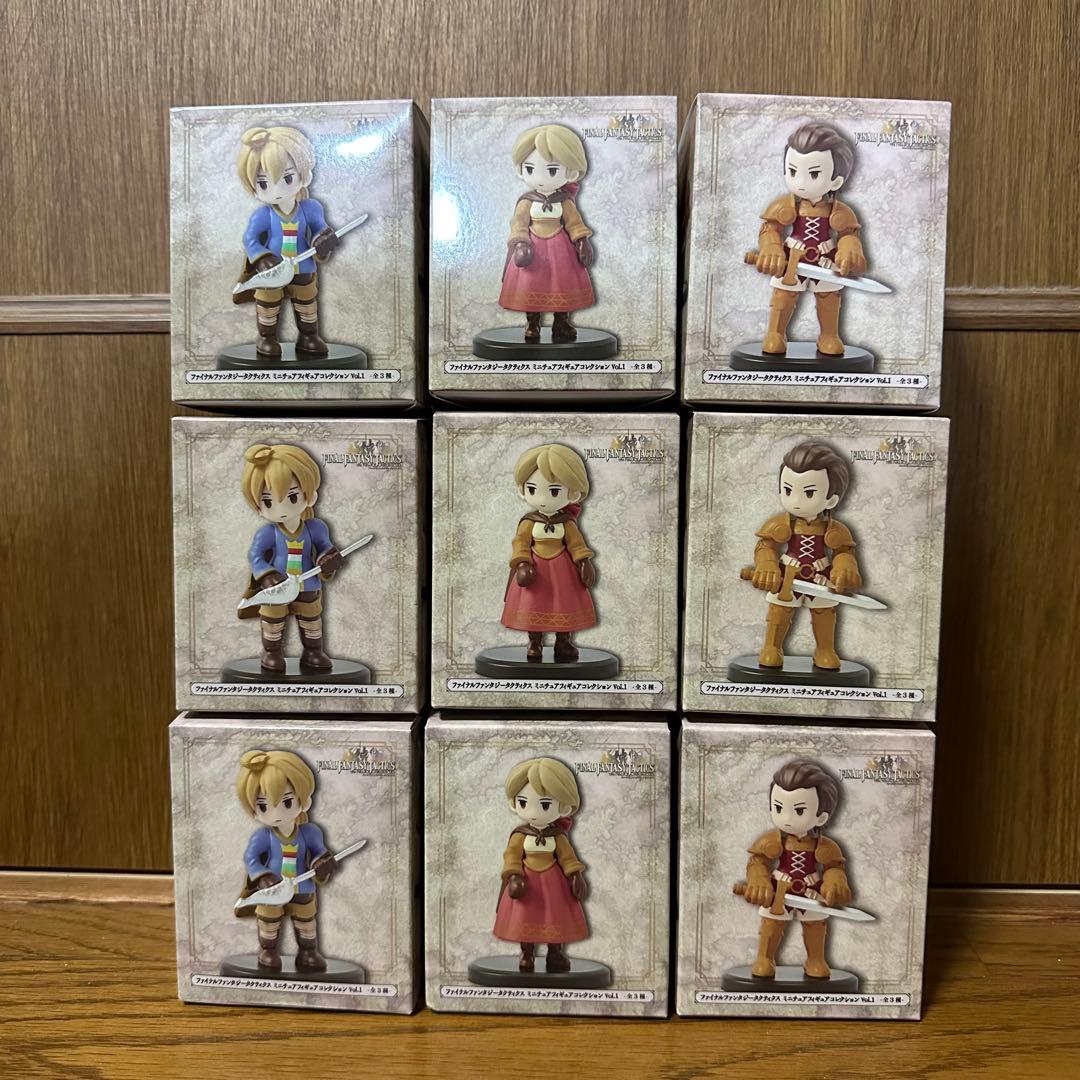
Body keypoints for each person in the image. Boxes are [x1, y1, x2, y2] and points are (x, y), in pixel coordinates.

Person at [751, 122, 867, 356]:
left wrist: (849, 249)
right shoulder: (785, 205)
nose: (801, 182)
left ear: (836, 180)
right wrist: (771, 248)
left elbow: (848, 233)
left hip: (825, 259)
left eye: (813, 174)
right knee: (784, 294)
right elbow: (770, 228)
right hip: (792, 257)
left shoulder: (839, 210)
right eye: (793, 172)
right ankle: (775, 333)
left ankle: (829, 335)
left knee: (828, 296)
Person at [749, 439, 861, 671]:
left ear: (831, 499)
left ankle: (825, 649)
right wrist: (767, 565)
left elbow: (843, 551)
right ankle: (772, 647)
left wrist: (845, 566)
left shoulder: (835, 529)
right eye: (788, 490)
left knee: (824, 612)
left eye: (809, 493)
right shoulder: (779, 523)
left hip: (820, 576)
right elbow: (765, 545)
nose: (796, 501)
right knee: (780, 610)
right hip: (787, 574)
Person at [737, 759, 853, 980]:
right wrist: (759, 880)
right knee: (772, 923)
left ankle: (815, 960)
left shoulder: (825, 845)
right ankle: (764, 958)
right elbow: (757, 861)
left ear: (821, 816)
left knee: (815, 925)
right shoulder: (772, 840)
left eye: (799, 811)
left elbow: (834, 865)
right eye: (779, 808)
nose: (787, 819)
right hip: (780, 889)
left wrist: (835, 881)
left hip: (811, 890)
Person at [234, 126, 340, 358]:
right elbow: (250, 239)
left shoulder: (311, 208)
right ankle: (267, 338)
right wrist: (262, 258)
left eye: (287, 178)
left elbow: (320, 228)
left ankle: (309, 336)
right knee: (268, 305)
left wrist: (323, 241)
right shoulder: (263, 215)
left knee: (306, 303)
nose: (277, 190)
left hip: (303, 267)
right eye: (263, 183)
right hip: (272, 271)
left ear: (304, 174)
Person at [239, 443, 345, 672]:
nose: (281, 507)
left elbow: (326, 547)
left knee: (311, 620)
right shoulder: (268, 533)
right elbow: (255, 556)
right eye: (268, 501)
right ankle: (272, 652)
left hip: (308, 584)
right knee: (273, 621)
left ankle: (313, 651)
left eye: (292, 496)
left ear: (310, 494)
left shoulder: (315, 528)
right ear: (258, 506)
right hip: (277, 588)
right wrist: (267, 576)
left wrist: (328, 560)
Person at [234, 749, 337, 972]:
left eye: (287, 802)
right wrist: (262, 876)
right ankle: (268, 951)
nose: (276, 813)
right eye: (263, 806)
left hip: (302, 886)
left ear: (304, 800)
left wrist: (322, 864)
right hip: (273, 890)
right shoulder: (263, 836)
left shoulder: (310, 832)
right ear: (254, 810)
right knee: (269, 920)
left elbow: (320, 853)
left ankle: (308, 952)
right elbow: (251, 858)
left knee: (306, 919)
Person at [498, 124, 597, 343]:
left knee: (562, 283)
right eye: (530, 169)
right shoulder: (526, 201)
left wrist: (582, 241)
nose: (541, 178)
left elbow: (574, 222)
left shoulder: (565, 201)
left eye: (552, 170)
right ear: (521, 170)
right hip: (532, 247)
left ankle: (561, 322)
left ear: (571, 172)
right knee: (530, 283)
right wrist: (520, 242)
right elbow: (519, 222)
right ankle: (532, 322)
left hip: (560, 250)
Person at [501, 443, 598, 663]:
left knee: (564, 603)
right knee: (533, 604)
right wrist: (522, 563)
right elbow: (521, 543)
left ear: (573, 492)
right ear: (523, 490)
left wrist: (584, 562)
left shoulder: (567, 523)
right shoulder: (528, 522)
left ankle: (563, 641)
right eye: (532, 489)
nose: (543, 498)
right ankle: (535, 642)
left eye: (554, 491)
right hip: (535, 570)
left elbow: (576, 544)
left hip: (562, 571)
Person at [493, 757, 590, 973]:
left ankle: (555, 953)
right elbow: (512, 855)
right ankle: (526, 954)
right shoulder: (520, 835)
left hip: (553, 884)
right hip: (526, 882)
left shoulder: (558, 836)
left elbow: (567, 857)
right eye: (523, 803)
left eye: (545, 804)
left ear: (563, 806)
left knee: (556, 917)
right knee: (525, 917)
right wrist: (514, 875)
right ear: (514, 803)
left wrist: (576, 875)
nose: (533, 812)